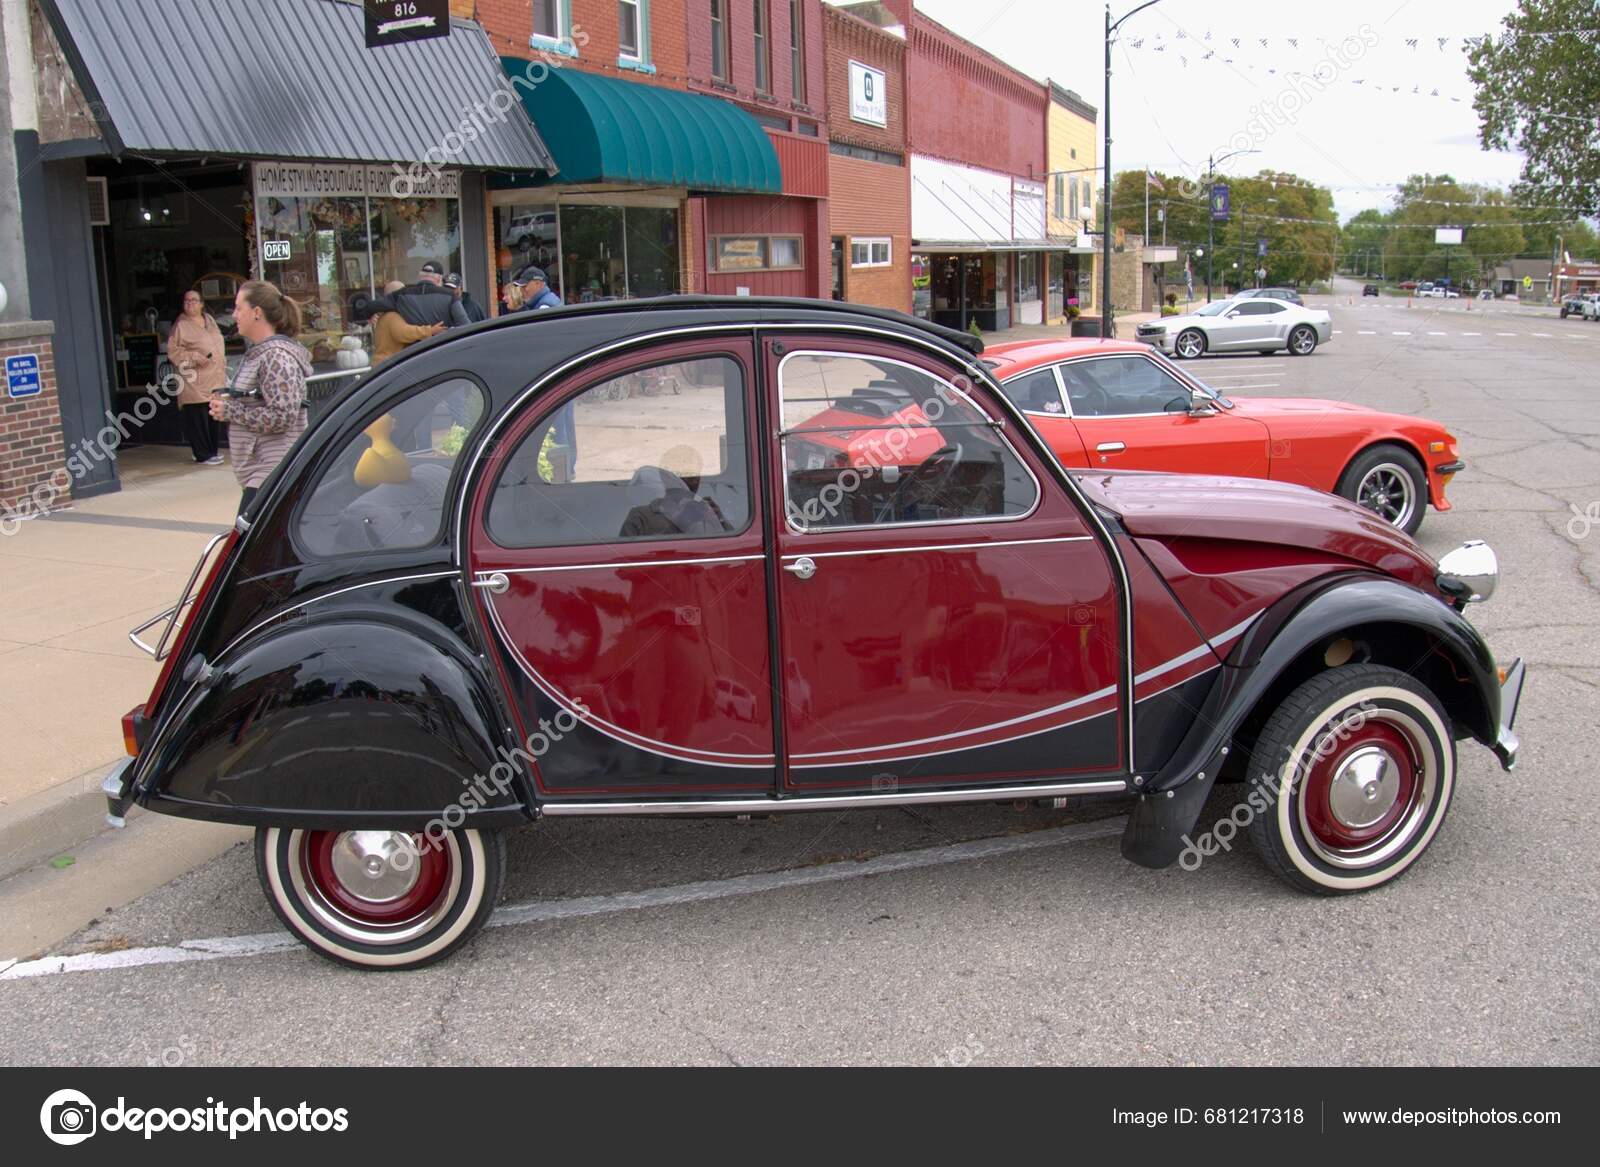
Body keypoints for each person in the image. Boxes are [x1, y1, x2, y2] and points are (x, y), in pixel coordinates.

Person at [209, 280, 310, 514]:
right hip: (262, 472)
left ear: (257, 313)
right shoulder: (261, 355)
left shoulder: (276, 357)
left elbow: (283, 416)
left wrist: (230, 411)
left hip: (272, 471)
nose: (234, 315)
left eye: (238, 308)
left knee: (245, 547)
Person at [165, 290, 226, 464]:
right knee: (197, 418)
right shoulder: (180, 325)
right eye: (186, 300)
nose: (190, 303)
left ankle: (212, 451)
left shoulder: (210, 320)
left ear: (201, 304)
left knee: (212, 416)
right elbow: (173, 352)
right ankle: (202, 454)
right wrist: (196, 358)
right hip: (194, 380)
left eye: (194, 300)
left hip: (214, 379)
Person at [370, 279, 443, 363]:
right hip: (389, 364)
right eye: (404, 293)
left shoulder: (384, 315)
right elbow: (404, 333)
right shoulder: (392, 316)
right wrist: (430, 330)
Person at [390, 261, 470, 328]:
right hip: (444, 344)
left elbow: (379, 304)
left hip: (416, 346)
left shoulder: (401, 295)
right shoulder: (450, 296)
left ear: (420, 276)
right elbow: (466, 326)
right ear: (439, 279)